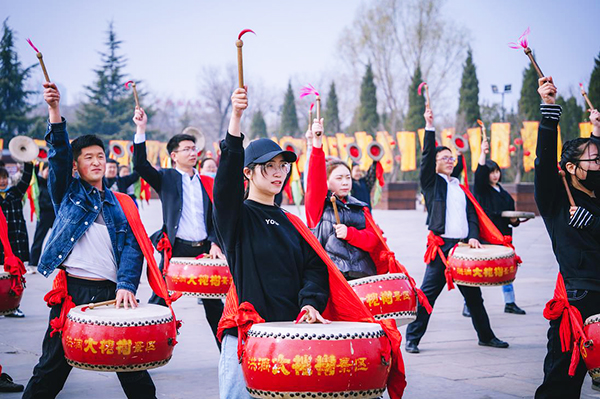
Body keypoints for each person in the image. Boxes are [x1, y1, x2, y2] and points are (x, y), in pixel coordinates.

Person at [23, 82, 156, 399]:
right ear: (77, 165)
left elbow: (132, 250)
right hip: (72, 294)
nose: (96, 162)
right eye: (88, 157)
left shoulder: (122, 203)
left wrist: (126, 285)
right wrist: (55, 111)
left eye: (100, 156)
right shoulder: (67, 195)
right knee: (50, 370)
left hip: (113, 294)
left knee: (133, 372)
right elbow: (57, 155)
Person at [214, 86, 330, 398]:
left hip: (292, 335)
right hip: (248, 336)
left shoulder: (291, 223)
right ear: (248, 173)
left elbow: (315, 269)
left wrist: (310, 303)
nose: (278, 173)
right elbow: (224, 188)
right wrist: (235, 120)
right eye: (269, 166)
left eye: (283, 165)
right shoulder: (236, 218)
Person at [404, 106, 509, 354]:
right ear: (435, 164)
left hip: (462, 248)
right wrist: (429, 126)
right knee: (427, 295)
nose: (450, 161)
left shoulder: (460, 187)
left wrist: (473, 236)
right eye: (444, 159)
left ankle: (486, 336)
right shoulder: (431, 184)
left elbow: (472, 214)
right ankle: (412, 339)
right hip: (441, 248)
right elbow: (427, 155)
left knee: (474, 298)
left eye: (452, 158)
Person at [132, 109, 225, 350]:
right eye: (187, 149)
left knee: (214, 304)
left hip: (204, 249)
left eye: (194, 149)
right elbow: (140, 165)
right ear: (174, 155)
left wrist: (215, 242)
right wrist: (141, 129)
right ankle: (146, 346)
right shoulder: (167, 178)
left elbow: (215, 217)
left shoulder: (206, 181)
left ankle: (226, 351)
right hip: (177, 247)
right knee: (161, 297)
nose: (193, 153)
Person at [534, 77, 600, 398]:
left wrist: (597, 130)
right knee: (561, 383)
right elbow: (545, 162)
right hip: (578, 300)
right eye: (595, 160)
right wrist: (548, 108)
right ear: (572, 167)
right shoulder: (556, 200)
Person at [305, 120, 379, 280]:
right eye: (339, 178)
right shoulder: (318, 207)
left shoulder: (360, 207)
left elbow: (373, 241)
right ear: (326, 182)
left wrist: (350, 234)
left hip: (363, 277)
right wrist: (316, 144)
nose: (345, 182)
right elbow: (314, 179)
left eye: (347, 177)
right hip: (333, 280)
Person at [461, 139, 525, 317]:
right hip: (486, 236)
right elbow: (479, 174)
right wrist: (483, 152)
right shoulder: (481, 190)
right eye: (491, 172)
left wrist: (515, 221)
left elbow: (512, 217)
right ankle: (469, 304)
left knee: (505, 269)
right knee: (478, 272)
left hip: (502, 236)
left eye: (497, 172)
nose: (495, 175)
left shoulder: (503, 193)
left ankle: (510, 302)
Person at [0, 158, 33, 318]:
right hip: (1, 244)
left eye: (4, 177)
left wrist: (28, 162)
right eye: (0, 178)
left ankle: (13, 307)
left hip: (16, 242)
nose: (2, 181)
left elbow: (26, 178)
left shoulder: (15, 193)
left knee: (16, 278)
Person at [29, 164, 56, 268]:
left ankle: (58, 263)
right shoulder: (39, 182)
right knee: (38, 239)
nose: (49, 173)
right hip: (44, 214)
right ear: (42, 171)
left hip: (55, 214)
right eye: (47, 170)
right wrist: (36, 164)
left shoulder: (55, 183)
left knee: (60, 238)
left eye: (51, 171)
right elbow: (33, 175)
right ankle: (33, 263)